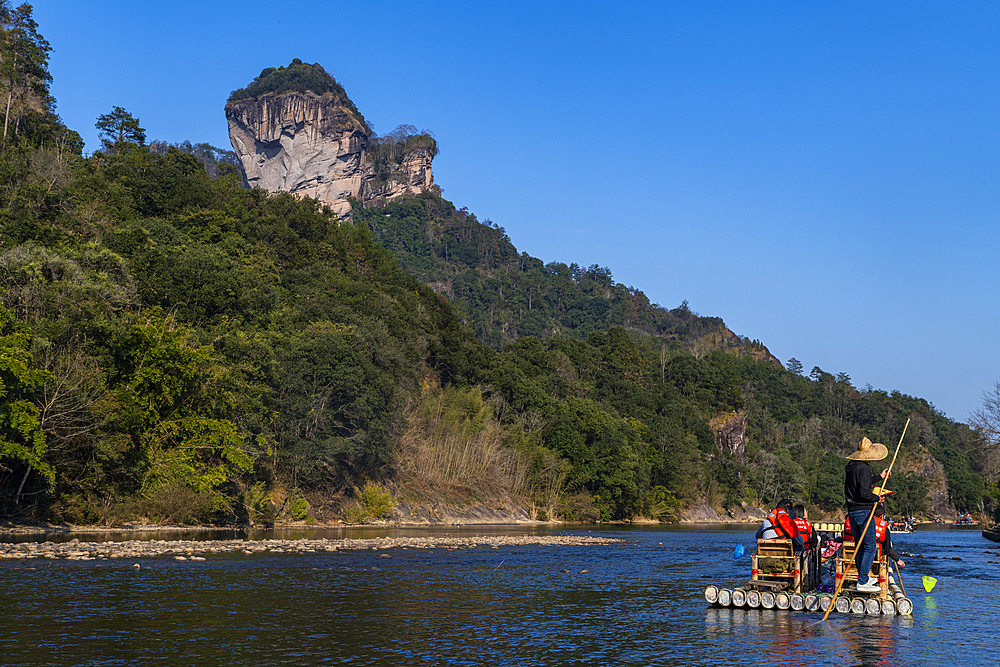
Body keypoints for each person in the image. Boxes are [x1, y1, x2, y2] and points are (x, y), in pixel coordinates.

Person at [845, 436, 891, 592]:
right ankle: (863, 580)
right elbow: (864, 492)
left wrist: (879, 477)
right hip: (864, 512)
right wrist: (877, 498)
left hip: (852, 512)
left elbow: (862, 484)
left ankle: (862, 577)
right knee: (870, 547)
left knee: (860, 546)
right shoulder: (863, 468)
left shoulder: (852, 467)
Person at [843, 504, 906, 570]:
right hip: (872, 565)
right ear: (882, 516)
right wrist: (897, 560)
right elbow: (887, 549)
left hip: (849, 562)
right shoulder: (883, 528)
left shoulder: (856, 522)